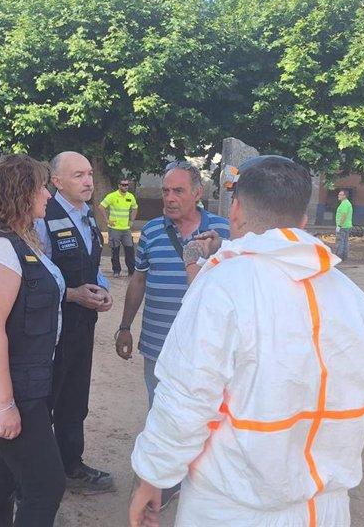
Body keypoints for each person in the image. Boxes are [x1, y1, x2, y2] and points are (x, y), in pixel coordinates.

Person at [129, 156, 364, 527]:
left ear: (235, 211)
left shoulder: (222, 286)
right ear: (303, 219)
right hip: (325, 507)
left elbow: (188, 397)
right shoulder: (352, 297)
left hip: (233, 506)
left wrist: (153, 476)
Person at [0, 154, 67, 526]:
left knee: (4, 467)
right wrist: (4, 406)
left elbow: (25, 297)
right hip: (10, 385)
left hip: (24, 377)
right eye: (41, 187)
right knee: (45, 485)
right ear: (20, 193)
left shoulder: (18, 239)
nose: (48, 195)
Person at [114, 160, 229, 508]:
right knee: (160, 411)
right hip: (158, 344)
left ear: (198, 193)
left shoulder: (223, 231)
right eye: (165, 191)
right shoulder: (151, 231)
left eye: (178, 191)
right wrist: (124, 327)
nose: (169, 198)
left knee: (210, 414)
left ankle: (203, 480)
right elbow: (139, 279)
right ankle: (166, 482)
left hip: (208, 348)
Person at [34, 151, 115, 494]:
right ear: (56, 181)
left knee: (75, 398)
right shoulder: (43, 218)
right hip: (52, 329)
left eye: (90, 174)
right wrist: (72, 294)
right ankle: (38, 481)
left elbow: (91, 264)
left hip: (83, 326)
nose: (88, 181)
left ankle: (71, 465)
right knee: (45, 402)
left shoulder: (88, 216)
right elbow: (34, 277)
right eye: (78, 175)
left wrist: (103, 289)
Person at [98, 178, 139, 277]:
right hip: (114, 228)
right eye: (123, 185)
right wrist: (107, 220)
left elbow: (135, 208)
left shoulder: (130, 196)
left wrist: (132, 220)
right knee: (115, 250)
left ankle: (131, 270)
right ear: (119, 186)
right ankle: (116, 270)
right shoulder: (112, 196)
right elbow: (101, 206)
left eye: (127, 185)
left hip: (126, 229)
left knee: (129, 250)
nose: (125, 187)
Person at [335, 190, 353, 260]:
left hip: (342, 226)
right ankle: (344, 257)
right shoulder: (348, 203)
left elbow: (344, 215)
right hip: (347, 226)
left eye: (340, 194)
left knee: (340, 242)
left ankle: (338, 257)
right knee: (345, 242)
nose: (338, 195)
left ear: (344, 196)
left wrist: (339, 225)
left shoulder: (344, 204)